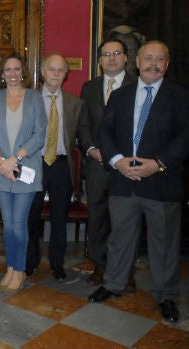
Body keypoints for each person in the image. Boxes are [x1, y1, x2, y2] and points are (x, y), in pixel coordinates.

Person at [89, 41, 189, 324]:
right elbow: (104, 131)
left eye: (160, 59)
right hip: (123, 180)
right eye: (148, 58)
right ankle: (113, 284)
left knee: (164, 244)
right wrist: (118, 160)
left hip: (162, 182)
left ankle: (166, 295)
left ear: (167, 65)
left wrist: (156, 164)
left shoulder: (180, 96)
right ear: (137, 62)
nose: (153, 63)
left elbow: (185, 137)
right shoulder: (120, 95)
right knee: (120, 238)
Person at [0, 53, 46, 294]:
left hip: (25, 169)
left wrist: (14, 160)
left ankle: (19, 270)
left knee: (19, 224)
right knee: (8, 225)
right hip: (0, 170)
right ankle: (9, 267)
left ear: (23, 72)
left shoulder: (34, 98)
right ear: (2, 73)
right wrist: (1, 162)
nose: (12, 74)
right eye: (7, 70)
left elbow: (39, 136)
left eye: (16, 69)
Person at [78, 39, 137, 288]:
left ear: (126, 58)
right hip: (97, 165)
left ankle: (126, 271)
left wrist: (120, 156)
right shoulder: (89, 87)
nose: (111, 58)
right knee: (98, 218)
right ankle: (100, 266)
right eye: (106, 54)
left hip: (126, 165)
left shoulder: (138, 85)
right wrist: (91, 149)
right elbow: (83, 124)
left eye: (116, 53)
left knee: (126, 220)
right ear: (100, 60)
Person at [26, 53, 82, 281]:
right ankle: (30, 262)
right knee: (30, 217)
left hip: (60, 166)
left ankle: (57, 264)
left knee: (60, 218)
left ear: (66, 75)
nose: (56, 74)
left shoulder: (74, 103)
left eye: (61, 70)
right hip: (34, 164)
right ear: (42, 72)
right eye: (52, 69)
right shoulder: (29, 100)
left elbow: (79, 136)